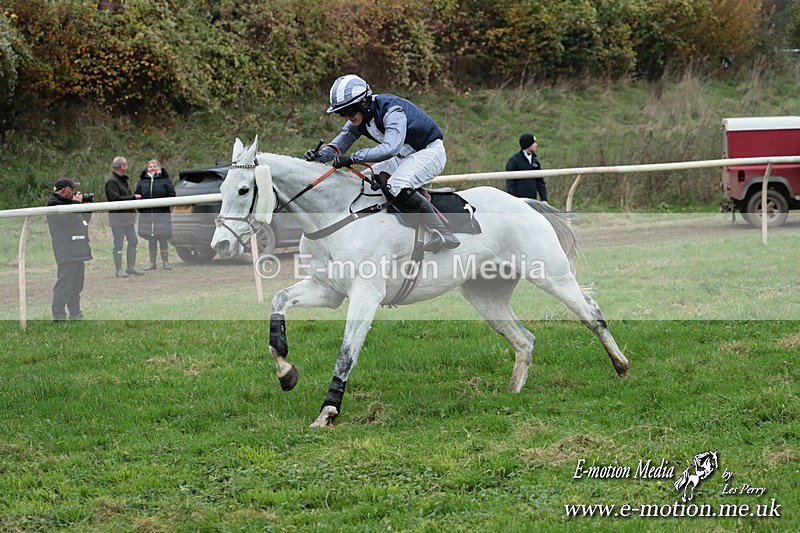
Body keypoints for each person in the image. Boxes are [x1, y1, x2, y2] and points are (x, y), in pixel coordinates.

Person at [304, 74, 459, 253]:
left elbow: (390, 148)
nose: (347, 117)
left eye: (350, 111)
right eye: (342, 113)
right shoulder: (359, 119)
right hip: (403, 156)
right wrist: (317, 157)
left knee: (397, 184)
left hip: (430, 152)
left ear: (364, 102)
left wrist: (353, 158)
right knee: (363, 180)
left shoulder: (392, 110)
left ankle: (443, 232)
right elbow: (338, 146)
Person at [46, 177, 92, 322]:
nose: (74, 192)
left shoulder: (70, 204)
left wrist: (86, 208)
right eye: (71, 189)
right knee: (64, 286)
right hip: (66, 251)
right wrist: (75, 204)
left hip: (78, 250)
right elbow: (67, 220)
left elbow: (83, 221)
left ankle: (75, 314)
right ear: (63, 190)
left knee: (77, 286)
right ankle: (58, 316)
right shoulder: (53, 204)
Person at [105, 156, 145, 277]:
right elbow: (115, 199)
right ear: (121, 166)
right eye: (125, 165)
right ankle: (118, 270)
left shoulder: (123, 180)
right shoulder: (111, 182)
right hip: (117, 218)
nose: (127, 167)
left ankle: (130, 267)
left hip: (128, 217)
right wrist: (133, 197)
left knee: (133, 241)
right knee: (119, 244)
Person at [135, 159, 176, 270]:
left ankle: (165, 262)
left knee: (163, 238)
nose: (152, 168)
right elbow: (137, 197)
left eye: (154, 166)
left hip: (162, 214)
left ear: (159, 168)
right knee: (151, 239)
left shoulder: (166, 181)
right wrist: (142, 210)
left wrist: (165, 207)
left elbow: (172, 195)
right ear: (147, 169)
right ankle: (152, 263)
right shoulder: (142, 182)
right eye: (150, 166)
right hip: (147, 215)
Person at [505, 133, 548, 203]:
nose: (536, 144)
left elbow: (540, 182)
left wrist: (544, 199)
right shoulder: (514, 160)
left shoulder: (535, 162)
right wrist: (512, 200)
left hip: (533, 200)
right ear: (528, 144)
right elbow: (510, 182)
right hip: (519, 201)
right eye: (534, 143)